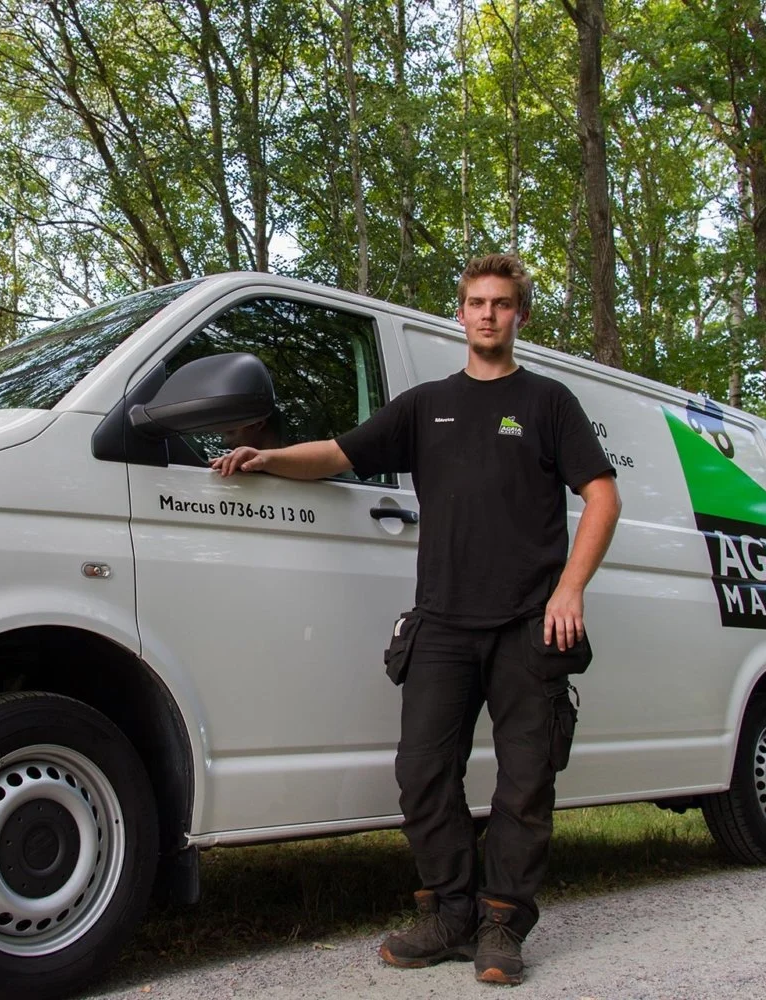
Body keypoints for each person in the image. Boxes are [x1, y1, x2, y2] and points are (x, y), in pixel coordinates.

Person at [212, 253, 621, 986]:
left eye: (501, 303)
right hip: (442, 624)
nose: (488, 314)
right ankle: (448, 912)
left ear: (519, 315)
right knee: (422, 771)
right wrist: (267, 459)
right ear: (458, 315)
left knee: (525, 781)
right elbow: (339, 454)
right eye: (476, 303)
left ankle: (502, 924)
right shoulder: (426, 405)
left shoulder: (548, 403)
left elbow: (602, 496)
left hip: (530, 624)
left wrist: (571, 589)